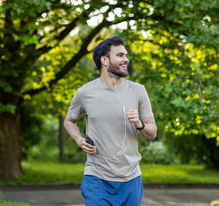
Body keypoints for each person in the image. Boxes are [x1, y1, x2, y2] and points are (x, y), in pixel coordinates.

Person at [64, 36, 157, 206]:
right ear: (105, 60)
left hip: (131, 178)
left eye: (126, 55)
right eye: (120, 55)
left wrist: (139, 124)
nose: (126, 60)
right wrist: (79, 140)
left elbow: (152, 133)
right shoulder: (85, 93)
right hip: (97, 178)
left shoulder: (138, 91)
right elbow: (69, 121)